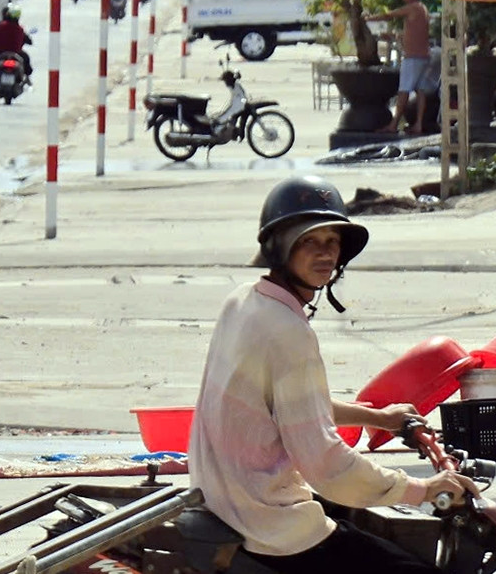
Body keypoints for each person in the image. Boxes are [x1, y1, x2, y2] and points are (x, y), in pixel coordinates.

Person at [187, 176, 478, 573]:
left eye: (332, 242)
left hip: (225, 499)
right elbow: (325, 464)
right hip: (267, 523)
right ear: (280, 246)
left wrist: (378, 418)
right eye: (309, 241)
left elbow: (289, 406)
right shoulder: (286, 331)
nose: (324, 254)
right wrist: (420, 490)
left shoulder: (244, 302)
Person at [383, 0, 432, 134]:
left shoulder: (414, 7)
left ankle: (394, 124)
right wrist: (396, 36)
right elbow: (415, 34)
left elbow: (390, 15)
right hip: (423, 56)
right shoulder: (423, 9)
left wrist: (369, 18)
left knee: (404, 90)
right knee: (420, 90)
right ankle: (419, 124)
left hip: (413, 58)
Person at [0, 4, 32, 74]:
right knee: (26, 58)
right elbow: (27, 40)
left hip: (0, 52)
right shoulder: (19, 28)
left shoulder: (1, 26)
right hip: (16, 52)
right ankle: (27, 77)